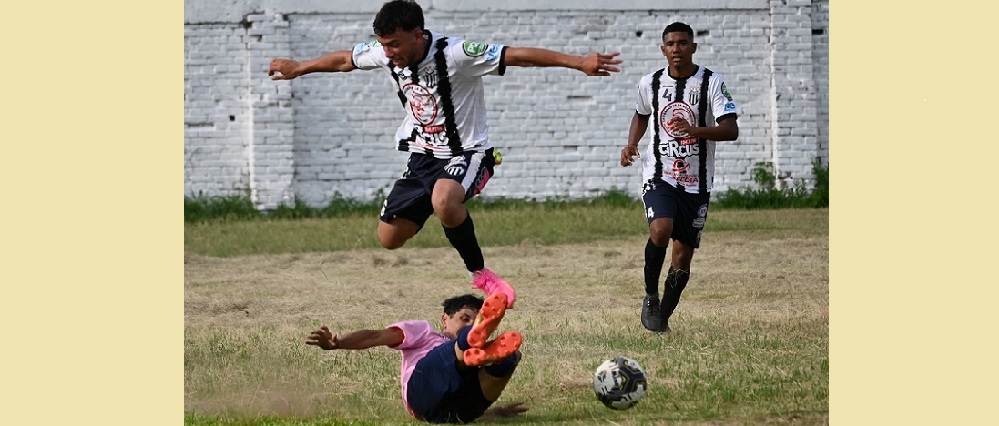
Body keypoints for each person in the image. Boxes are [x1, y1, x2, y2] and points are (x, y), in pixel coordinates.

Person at [269, 0, 622, 306]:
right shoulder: (385, 52)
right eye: (384, 45)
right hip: (422, 156)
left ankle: (481, 273)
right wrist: (299, 68)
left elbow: (517, 55)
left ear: (418, 35)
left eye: (394, 44)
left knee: (445, 200)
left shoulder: (456, 54)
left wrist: (578, 62)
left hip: (466, 152)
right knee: (389, 239)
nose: (388, 52)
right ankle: (439, 202)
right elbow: (345, 60)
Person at [619, 22, 740, 332]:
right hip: (659, 174)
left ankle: (662, 316)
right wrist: (631, 144)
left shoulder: (711, 82)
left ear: (693, 47)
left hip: (697, 181)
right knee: (661, 230)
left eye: (683, 43)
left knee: (682, 258)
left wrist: (694, 130)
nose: (677, 49)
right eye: (671, 44)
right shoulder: (650, 83)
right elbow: (641, 114)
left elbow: (730, 129)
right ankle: (650, 297)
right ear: (663, 49)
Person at [306, 292, 525, 423]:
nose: (467, 323)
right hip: (421, 393)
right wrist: (338, 343)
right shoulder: (424, 332)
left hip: (454, 413)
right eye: (465, 318)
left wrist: (493, 414)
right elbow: (375, 336)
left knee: (509, 358)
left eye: (474, 322)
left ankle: (486, 356)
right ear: (445, 319)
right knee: (464, 350)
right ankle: (471, 346)